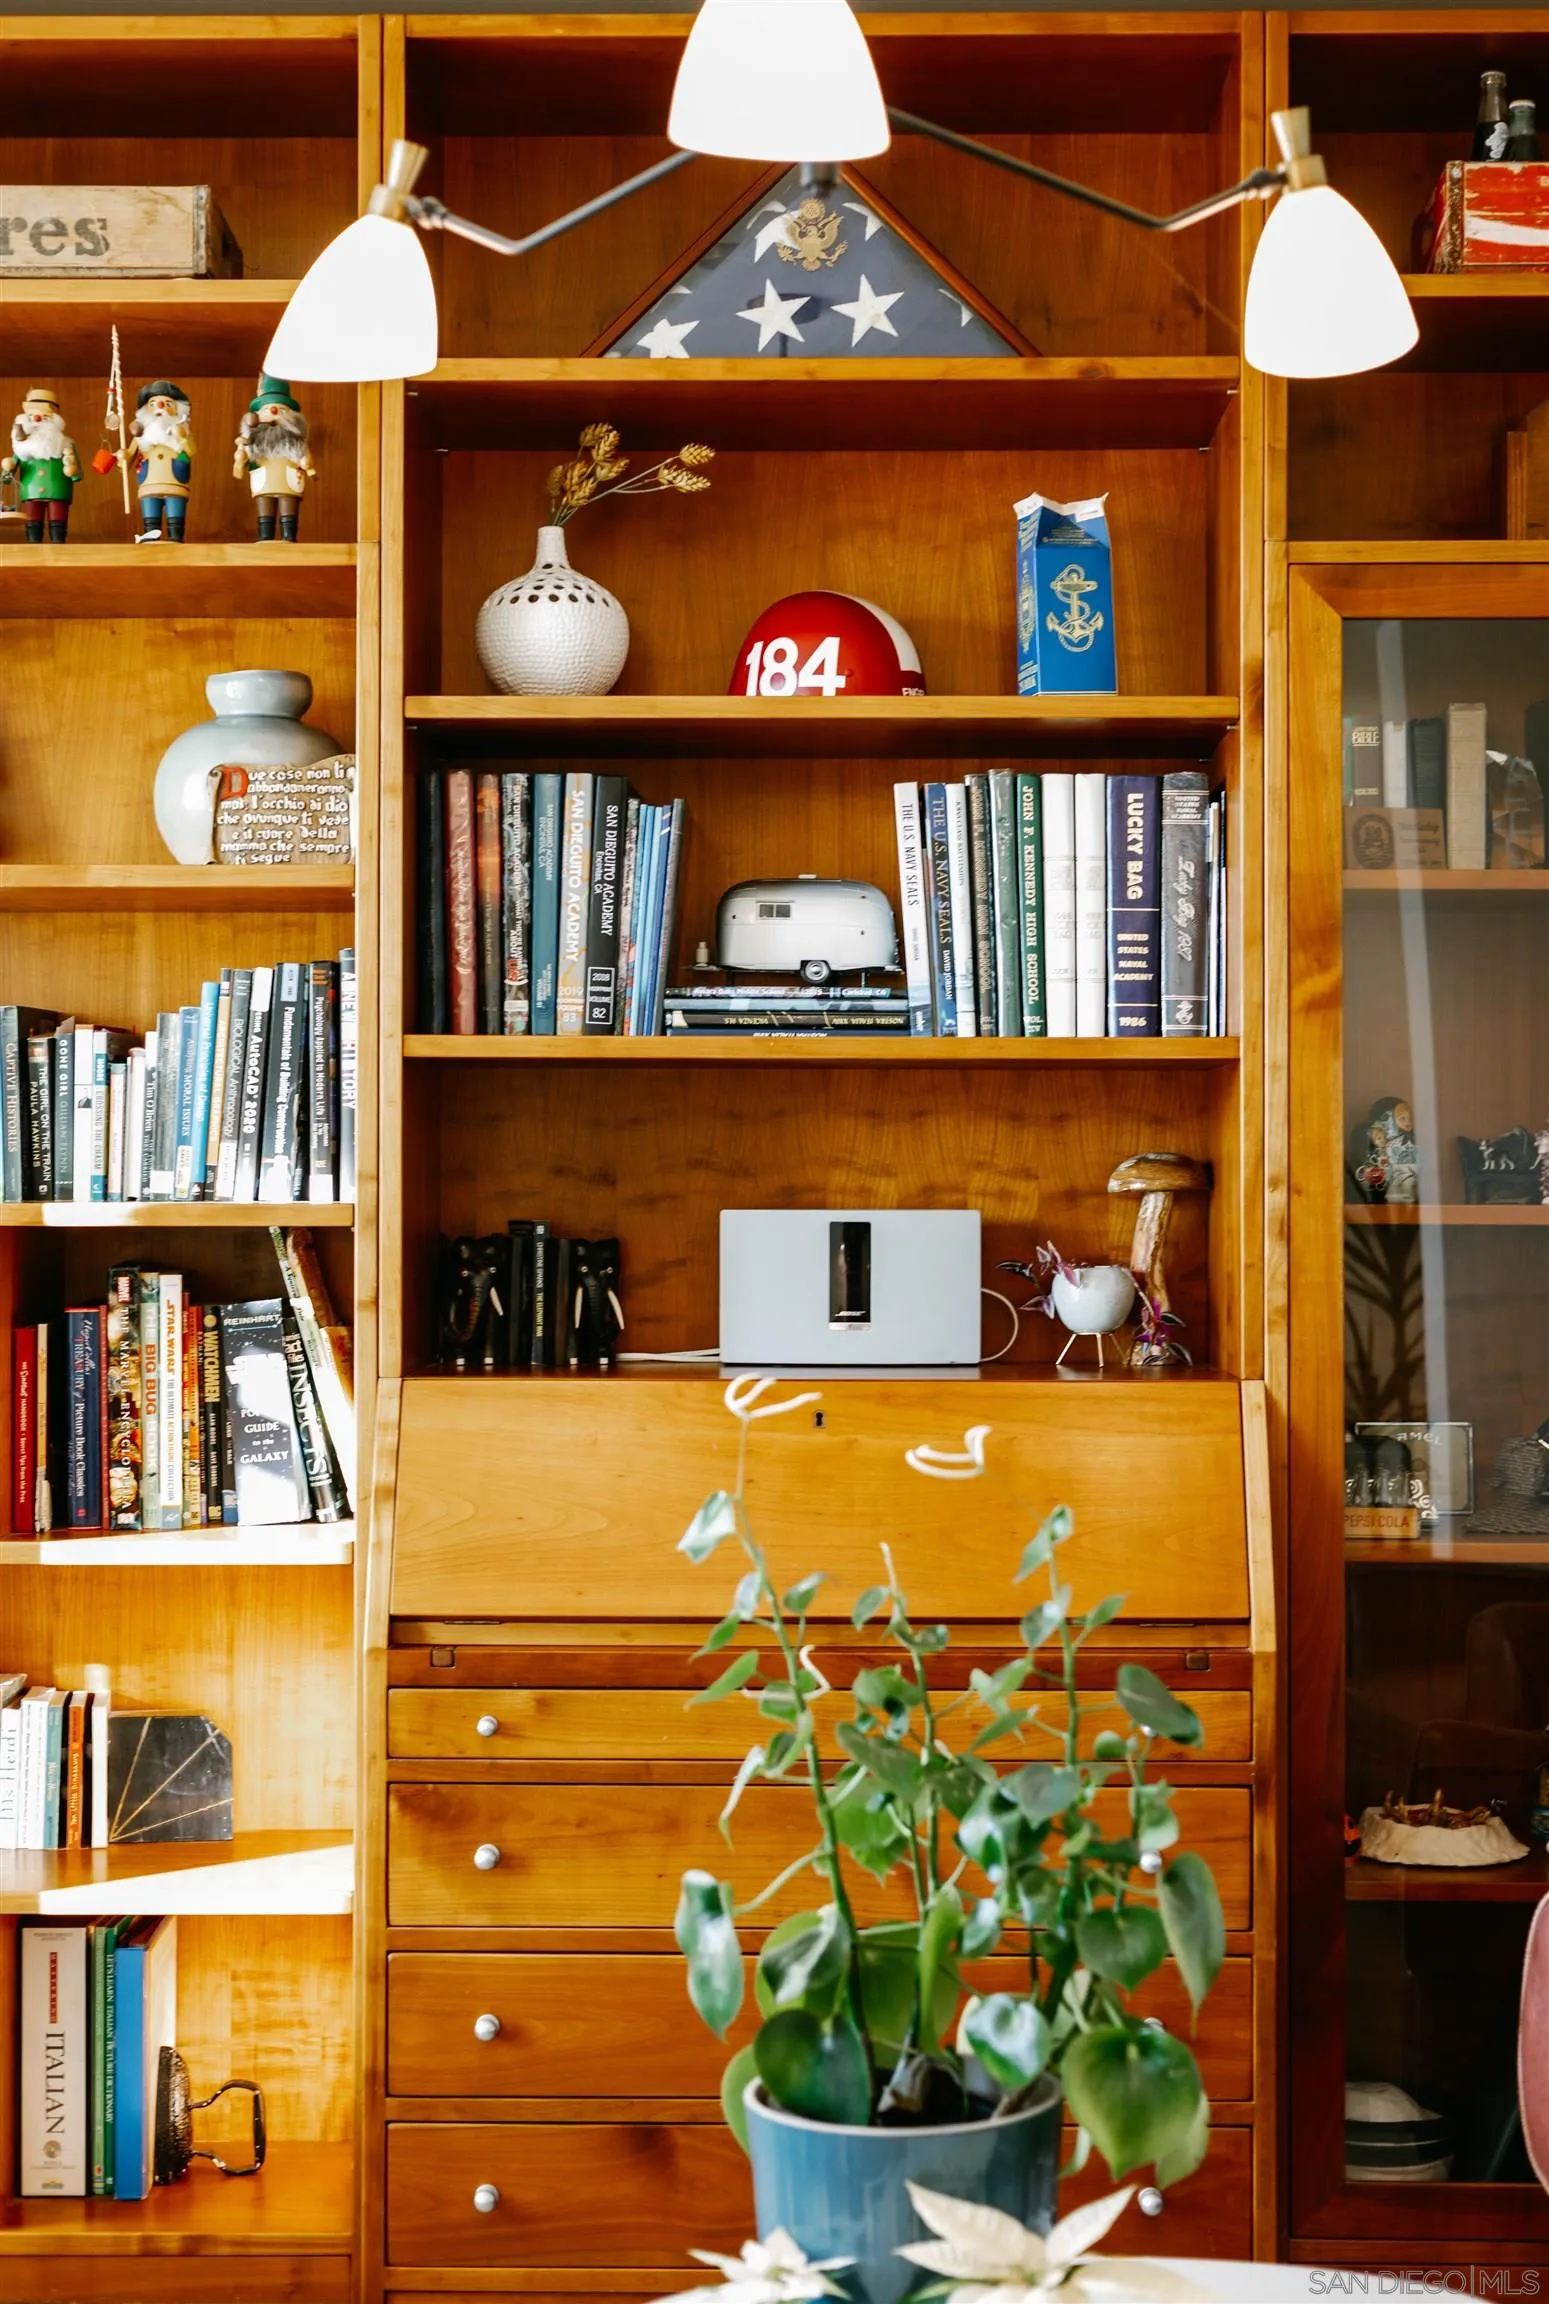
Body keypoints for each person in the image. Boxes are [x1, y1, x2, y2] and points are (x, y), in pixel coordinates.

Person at [231, 376, 316, 542]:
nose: (273, 414)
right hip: (263, 481)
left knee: (288, 507)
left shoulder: (296, 442)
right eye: (267, 410)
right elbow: (242, 458)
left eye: (280, 410)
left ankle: (289, 536)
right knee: (265, 511)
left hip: (289, 480)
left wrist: (307, 463)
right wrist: (240, 457)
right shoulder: (253, 441)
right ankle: (265, 536)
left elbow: (306, 458)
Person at [2, 387, 82, 542]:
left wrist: (73, 472)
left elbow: (76, 471)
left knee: (58, 519)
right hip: (30, 491)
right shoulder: (22, 448)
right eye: (32, 415)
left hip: (58, 489)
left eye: (44, 416)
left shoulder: (64, 444)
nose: (37, 419)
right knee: (33, 520)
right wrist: (7, 469)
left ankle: (58, 542)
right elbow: (7, 475)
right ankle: (33, 543)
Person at [124, 379, 193, 542]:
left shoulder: (181, 436)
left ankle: (176, 539)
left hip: (175, 482)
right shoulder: (141, 439)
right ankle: (150, 539)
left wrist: (182, 439)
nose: (160, 407)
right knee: (151, 520)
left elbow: (191, 451)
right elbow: (126, 462)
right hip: (149, 484)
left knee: (175, 520)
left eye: (168, 403)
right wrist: (122, 457)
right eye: (153, 403)